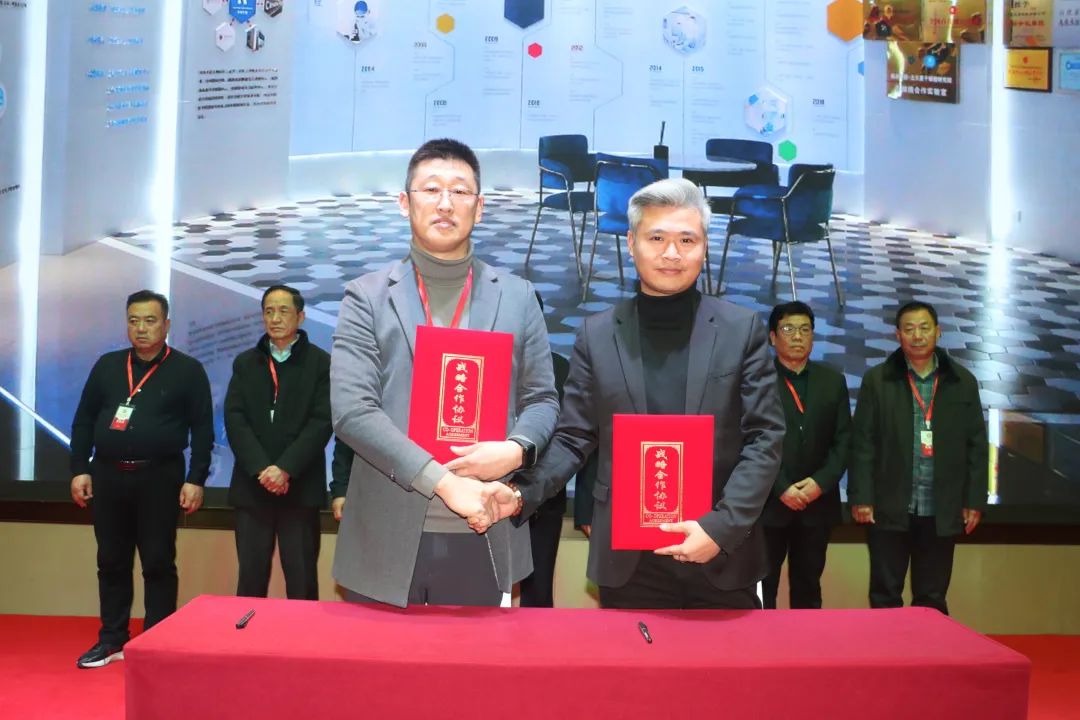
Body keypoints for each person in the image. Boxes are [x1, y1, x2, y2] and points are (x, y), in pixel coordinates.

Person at [511, 178, 785, 610]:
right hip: (629, 560)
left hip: (718, 552)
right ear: (631, 242)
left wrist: (720, 528)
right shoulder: (597, 334)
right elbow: (573, 437)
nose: (672, 253)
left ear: (705, 247)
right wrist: (520, 494)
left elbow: (765, 438)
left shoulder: (741, 330)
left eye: (687, 240)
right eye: (656, 238)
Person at [330, 138, 560, 608]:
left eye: (459, 191)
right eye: (431, 189)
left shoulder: (518, 297)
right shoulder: (366, 297)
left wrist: (516, 449)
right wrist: (444, 482)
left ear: (480, 207)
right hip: (386, 533)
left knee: (478, 659)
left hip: (485, 522)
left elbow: (542, 398)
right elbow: (353, 412)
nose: (444, 203)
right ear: (404, 202)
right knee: (379, 660)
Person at [70, 290, 213, 668]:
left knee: (158, 562)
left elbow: (202, 429)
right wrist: (79, 468)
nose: (141, 328)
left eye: (150, 321)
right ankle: (111, 638)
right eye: (134, 321)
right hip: (108, 476)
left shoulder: (187, 370)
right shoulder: (107, 366)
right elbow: (84, 420)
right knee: (111, 560)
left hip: (160, 477)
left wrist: (196, 478)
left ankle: (157, 642)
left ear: (166, 325)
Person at [849, 300, 988, 615]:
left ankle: (929, 648)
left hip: (941, 506)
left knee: (932, 596)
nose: (917, 335)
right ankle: (888, 647)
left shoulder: (962, 382)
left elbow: (977, 446)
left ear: (938, 332)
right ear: (897, 335)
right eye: (909, 329)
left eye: (924, 328)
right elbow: (862, 443)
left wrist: (974, 500)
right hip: (888, 505)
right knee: (885, 594)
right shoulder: (877, 380)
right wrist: (862, 496)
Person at [224, 285, 332, 601]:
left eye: (283, 311)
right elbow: (235, 419)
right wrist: (262, 469)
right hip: (252, 487)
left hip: (299, 488)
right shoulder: (245, 363)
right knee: (250, 580)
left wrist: (285, 469)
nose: (275, 318)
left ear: (301, 316)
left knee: (301, 581)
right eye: (269, 311)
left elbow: (322, 422)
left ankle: (302, 636)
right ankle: (249, 634)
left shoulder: (320, 363)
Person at [761, 301, 851, 609]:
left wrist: (818, 484)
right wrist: (781, 487)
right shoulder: (757, 381)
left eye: (805, 329)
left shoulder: (832, 381)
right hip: (768, 504)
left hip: (817, 506)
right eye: (788, 329)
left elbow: (843, 441)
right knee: (762, 587)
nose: (797, 336)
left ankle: (807, 642)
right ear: (773, 337)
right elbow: (749, 441)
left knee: (808, 588)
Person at [518, 292, 570, 608]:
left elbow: (576, 437)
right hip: (483, 496)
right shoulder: (482, 357)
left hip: (544, 498)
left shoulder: (560, 367)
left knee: (538, 594)